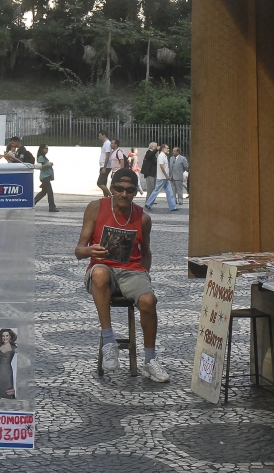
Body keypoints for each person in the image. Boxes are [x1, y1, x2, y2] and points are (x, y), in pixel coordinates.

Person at [75, 168, 169, 382]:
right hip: (102, 269)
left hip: (131, 270)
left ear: (136, 192)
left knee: (148, 300)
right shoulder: (95, 208)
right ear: (112, 188)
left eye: (129, 190)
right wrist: (91, 250)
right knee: (99, 274)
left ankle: (150, 361)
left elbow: (146, 253)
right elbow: (79, 250)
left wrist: (144, 275)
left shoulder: (143, 218)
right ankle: (109, 341)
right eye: (118, 189)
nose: (123, 194)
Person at [144, 144, 178, 211]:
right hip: (162, 177)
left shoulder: (164, 156)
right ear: (163, 148)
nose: (168, 149)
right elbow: (161, 167)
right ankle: (148, 204)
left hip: (164, 177)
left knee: (169, 192)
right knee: (157, 191)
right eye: (167, 148)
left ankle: (173, 207)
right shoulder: (161, 156)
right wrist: (166, 176)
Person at [34, 144, 59, 212]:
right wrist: (48, 164)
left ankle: (32, 203)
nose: (47, 150)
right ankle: (52, 207)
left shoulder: (44, 157)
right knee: (50, 192)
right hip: (45, 177)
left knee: (43, 192)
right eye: (46, 148)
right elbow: (40, 166)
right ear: (42, 149)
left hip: (46, 176)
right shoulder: (41, 157)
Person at [97, 131, 112, 197]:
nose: (99, 137)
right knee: (103, 183)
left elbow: (107, 155)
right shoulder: (105, 143)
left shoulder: (107, 143)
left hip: (105, 166)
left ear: (104, 135)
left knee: (99, 183)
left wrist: (104, 167)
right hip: (104, 166)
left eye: (100, 136)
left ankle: (110, 196)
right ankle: (106, 198)